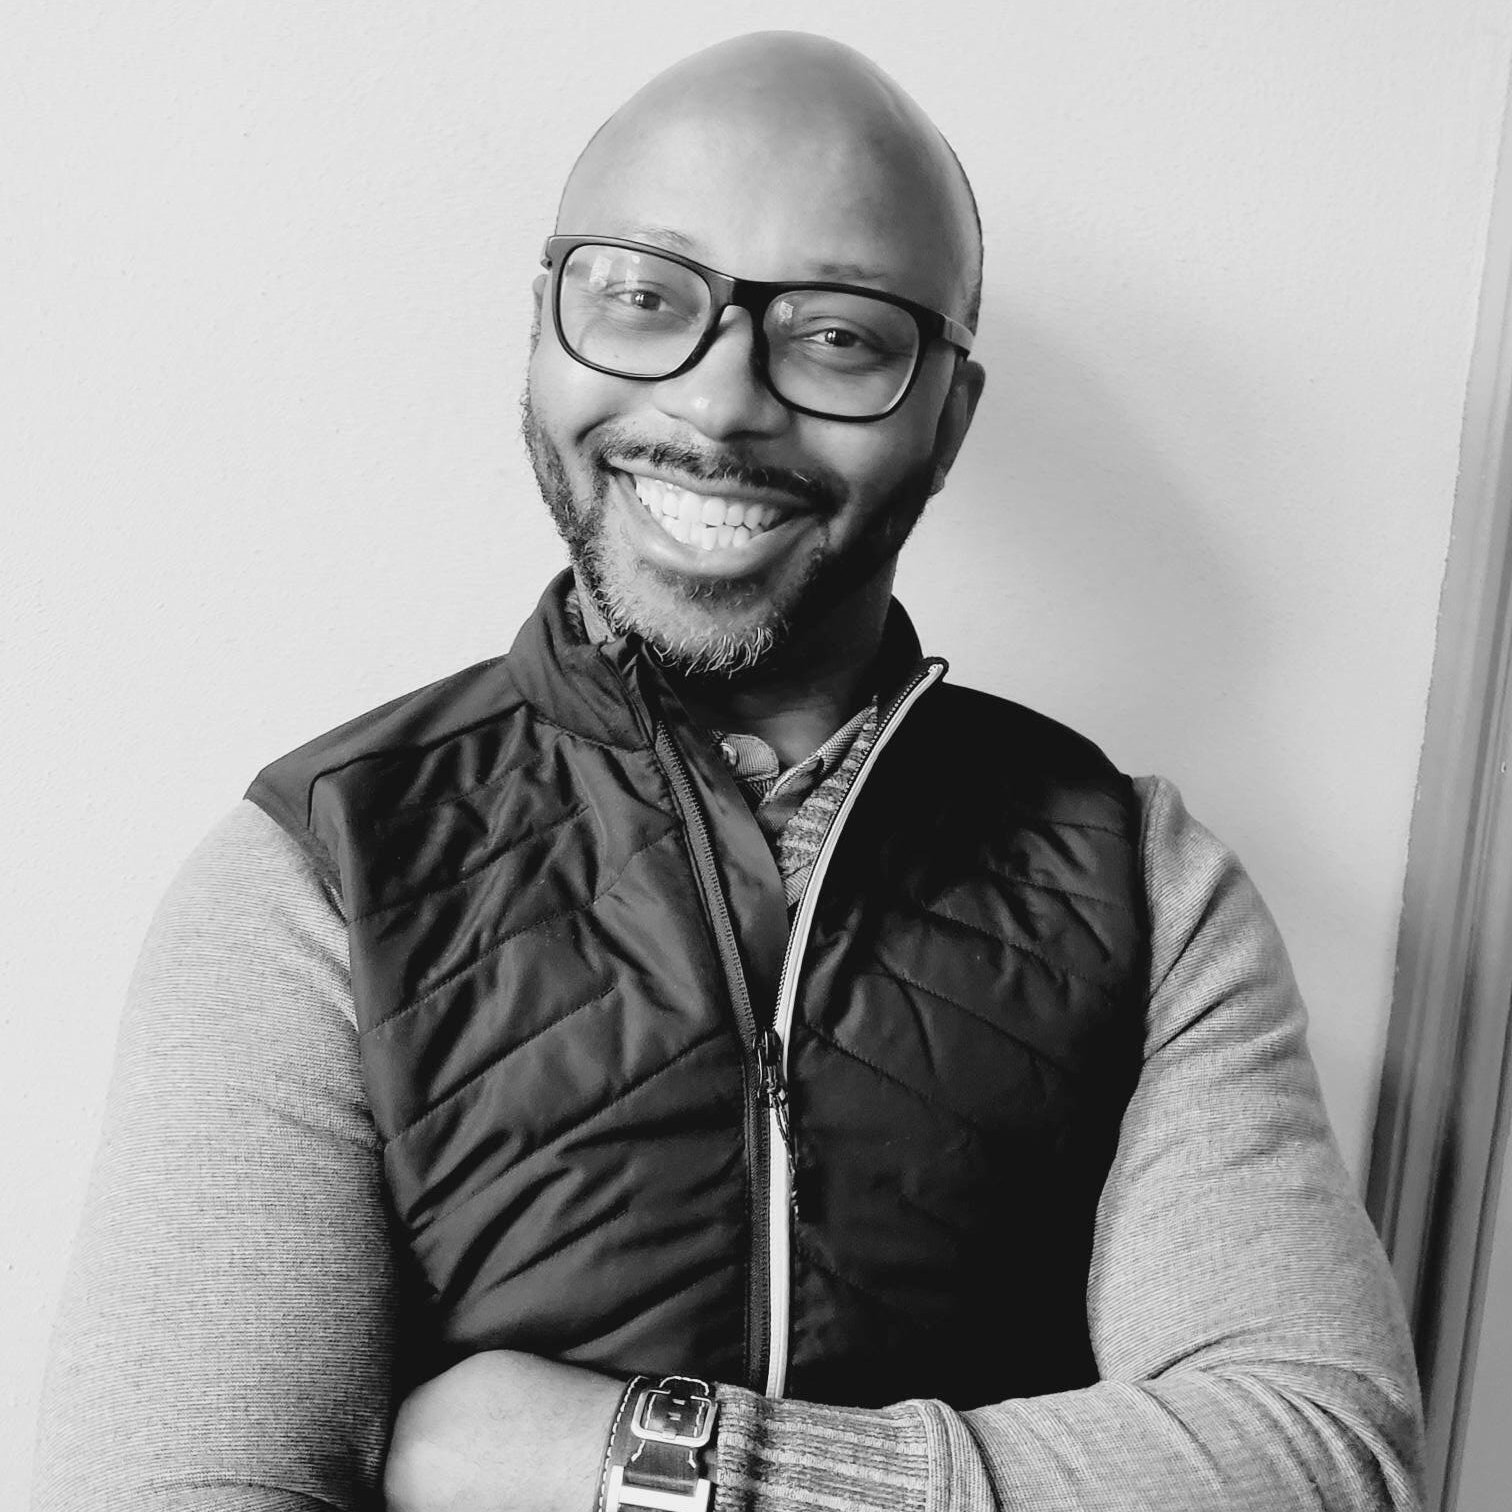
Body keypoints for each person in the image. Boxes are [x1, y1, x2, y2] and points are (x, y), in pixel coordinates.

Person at [33, 30, 1424, 1512]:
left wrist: (648, 1463)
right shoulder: (317, 873)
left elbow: (1319, 1461)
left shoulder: (1145, 882)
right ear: (542, 335)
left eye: (837, 335)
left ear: (948, 419)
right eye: (644, 298)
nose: (716, 404)